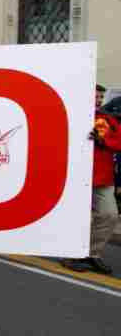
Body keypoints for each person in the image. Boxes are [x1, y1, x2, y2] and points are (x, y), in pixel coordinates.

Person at [63, 86, 120, 274]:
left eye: (101, 97)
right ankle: (72, 254)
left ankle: (91, 254)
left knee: (109, 215)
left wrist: (104, 141)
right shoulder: (68, 114)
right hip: (73, 175)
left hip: (101, 178)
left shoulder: (105, 119)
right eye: (95, 96)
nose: (98, 100)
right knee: (74, 218)